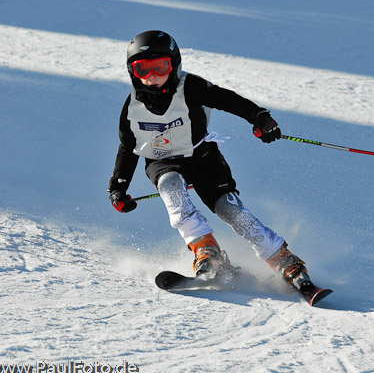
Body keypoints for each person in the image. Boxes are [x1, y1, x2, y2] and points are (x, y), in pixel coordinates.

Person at [108, 30, 318, 295]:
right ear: (132, 71)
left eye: (160, 67)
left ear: (175, 64)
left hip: (202, 157)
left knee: (230, 211)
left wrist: (259, 117)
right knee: (171, 187)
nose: (152, 76)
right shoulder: (131, 109)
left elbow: (225, 99)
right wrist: (119, 186)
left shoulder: (190, 87)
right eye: (143, 69)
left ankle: (283, 260)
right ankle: (206, 252)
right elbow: (128, 147)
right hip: (161, 161)